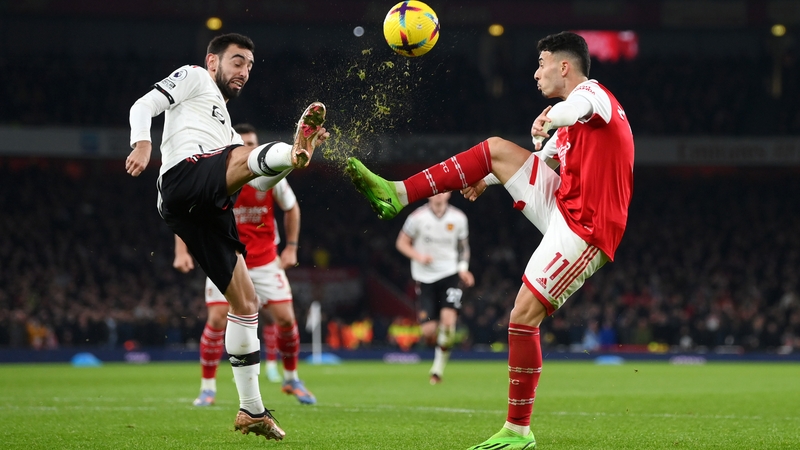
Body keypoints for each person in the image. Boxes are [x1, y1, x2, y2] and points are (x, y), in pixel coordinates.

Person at [346, 31, 634, 449]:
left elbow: (577, 107)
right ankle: (399, 193)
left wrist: (550, 116)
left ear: (564, 66)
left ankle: (518, 431)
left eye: (542, 64)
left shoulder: (594, 96)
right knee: (496, 149)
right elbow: (538, 161)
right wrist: (485, 176)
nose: (536, 74)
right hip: (562, 203)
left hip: (586, 228)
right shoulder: (572, 127)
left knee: (521, 317)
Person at [125, 32, 329, 441]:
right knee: (241, 157)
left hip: (206, 207)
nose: (244, 72)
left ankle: (251, 410)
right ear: (214, 61)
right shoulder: (196, 77)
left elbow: (261, 179)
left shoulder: (228, 132)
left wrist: (293, 161)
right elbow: (143, 104)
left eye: (250, 66)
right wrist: (143, 142)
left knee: (246, 300)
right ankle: (293, 145)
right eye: (237, 61)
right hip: (183, 177)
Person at [173, 123, 316, 408]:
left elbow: (292, 208)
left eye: (254, 143)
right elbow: (186, 209)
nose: (250, 148)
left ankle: (291, 379)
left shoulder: (271, 174)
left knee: (286, 319)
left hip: (264, 259)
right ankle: (207, 388)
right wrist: (181, 251)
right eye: (244, 143)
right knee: (216, 320)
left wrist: (290, 248)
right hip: (225, 256)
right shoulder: (218, 174)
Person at [395, 192, 474, 384]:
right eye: (435, 191)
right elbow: (401, 243)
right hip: (425, 277)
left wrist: (463, 269)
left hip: (450, 274)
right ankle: (442, 333)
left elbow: (463, 247)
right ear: (429, 194)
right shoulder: (416, 218)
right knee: (428, 331)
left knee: (448, 323)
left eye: (443, 190)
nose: (439, 195)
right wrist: (418, 256)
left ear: (449, 194)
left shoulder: (459, 218)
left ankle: (437, 370)